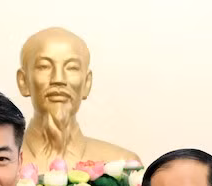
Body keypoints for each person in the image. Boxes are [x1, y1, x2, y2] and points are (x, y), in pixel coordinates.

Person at [16, 27, 141, 172]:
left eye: (72, 68)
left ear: (87, 83)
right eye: (44, 66)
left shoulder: (123, 164)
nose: (58, 79)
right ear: (23, 81)